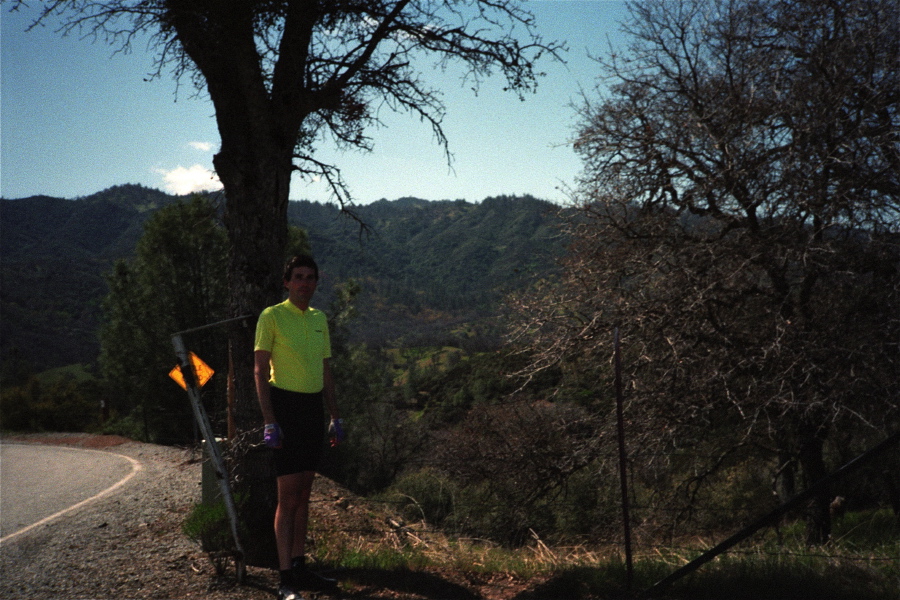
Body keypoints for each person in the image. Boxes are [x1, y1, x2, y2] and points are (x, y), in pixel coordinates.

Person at [254, 255, 344, 600]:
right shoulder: (272, 316)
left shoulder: (319, 318)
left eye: (311, 278)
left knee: (305, 494)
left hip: (312, 410)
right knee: (287, 496)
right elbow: (260, 371)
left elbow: (326, 372)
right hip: (285, 409)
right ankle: (285, 578)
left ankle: (300, 566)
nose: (305, 283)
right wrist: (269, 420)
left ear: (316, 283)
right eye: (298, 277)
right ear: (287, 282)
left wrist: (336, 417)